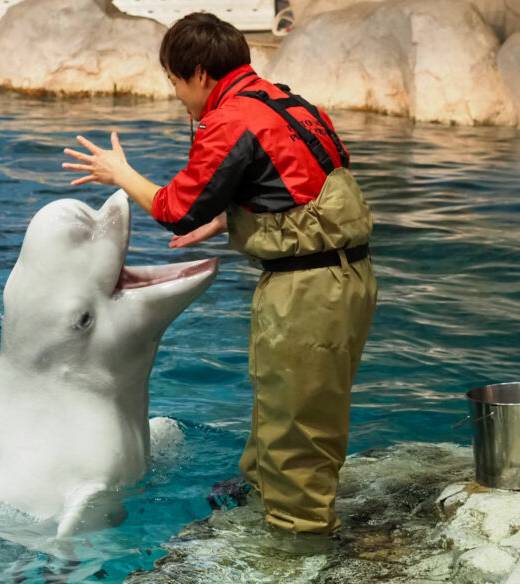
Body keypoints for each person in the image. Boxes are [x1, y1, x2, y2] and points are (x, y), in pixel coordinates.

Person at [61, 12, 377, 534]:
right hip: (345, 278)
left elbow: (172, 208)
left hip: (308, 291)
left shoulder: (229, 120)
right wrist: (231, 219)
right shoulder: (289, 103)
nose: (180, 95)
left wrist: (121, 174)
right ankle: (257, 499)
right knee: (282, 403)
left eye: (176, 81)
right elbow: (299, 184)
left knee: (297, 430)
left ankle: (296, 557)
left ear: (200, 74)